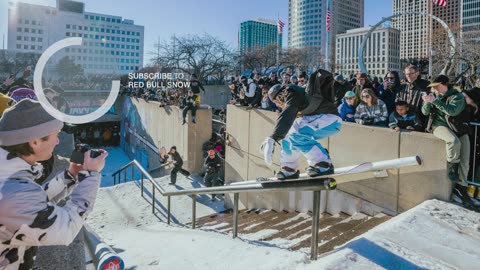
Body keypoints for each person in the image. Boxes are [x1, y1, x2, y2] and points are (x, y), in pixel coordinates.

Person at [0, 99, 108, 269]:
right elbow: (66, 228)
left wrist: (70, 175)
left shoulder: (8, 177)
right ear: (34, 141)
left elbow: (33, 203)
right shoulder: (12, 193)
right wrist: (90, 175)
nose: (57, 142)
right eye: (55, 135)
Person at [260, 69, 342, 180]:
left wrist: (273, 138)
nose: (279, 104)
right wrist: (277, 136)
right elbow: (287, 119)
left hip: (330, 119)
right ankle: (288, 168)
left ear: (279, 96)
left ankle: (323, 163)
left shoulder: (290, 92)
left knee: (296, 133)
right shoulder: (294, 98)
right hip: (321, 120)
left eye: (277, 102)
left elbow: (288, 113)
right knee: (288, 133)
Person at [421, 75, 478, 211]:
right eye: (433, 86)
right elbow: (424, 112)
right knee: (453, 141)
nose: (434, 88)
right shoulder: (434, 95)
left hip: (458, 127)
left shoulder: (457, 96)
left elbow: (452, 111)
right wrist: (428, 102)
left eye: (436, 85)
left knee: (465, 160)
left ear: (444, 84)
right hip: (439, 126)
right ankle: (452, 166)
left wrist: (435, 101)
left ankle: (461, 188)